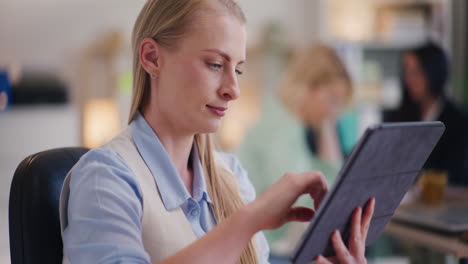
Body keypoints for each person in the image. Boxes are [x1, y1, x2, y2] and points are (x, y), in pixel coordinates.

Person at [59, 1, 374, 264]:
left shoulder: (231, 177)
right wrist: (250, 219)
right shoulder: (105, 178)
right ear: (152, 58)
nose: (233, 89)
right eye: (214, 64)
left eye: (237, 69)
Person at [384, 41, 468, 186]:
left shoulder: (459, 121)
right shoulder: (398, 117)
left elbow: (457, 173)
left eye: (416, 71)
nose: (409, 79)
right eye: (406, 71)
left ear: (434, 72)